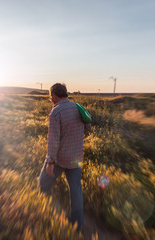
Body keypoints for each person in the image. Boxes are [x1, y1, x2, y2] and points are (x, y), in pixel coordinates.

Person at [38, 83, 91, 232]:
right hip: (76, 158)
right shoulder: (77, 107)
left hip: (61, 159)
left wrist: (50, 162)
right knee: (76, 191)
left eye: (50, 97)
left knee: (42, 183)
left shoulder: (56, 113)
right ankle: (78, 226)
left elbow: (53, 140)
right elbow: (88, 126)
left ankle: (42, 212)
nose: (50, 99)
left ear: (54, 96)